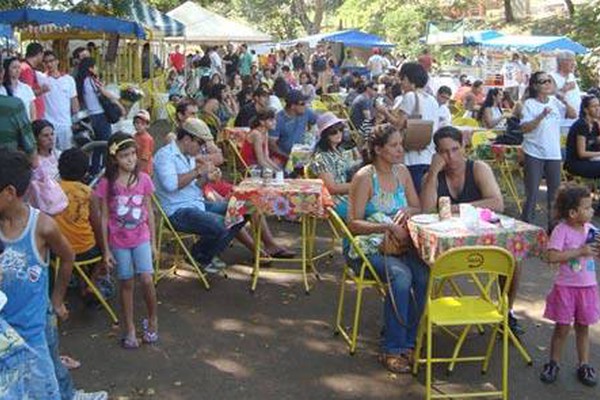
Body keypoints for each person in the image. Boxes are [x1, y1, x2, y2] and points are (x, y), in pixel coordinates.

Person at [346, 124, 428, 373]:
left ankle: (410, 341)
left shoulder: (402, 172)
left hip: (401, 245)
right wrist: (387, 227)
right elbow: (353, 224)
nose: (400, 149)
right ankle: (392, 348)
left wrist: (407, 211)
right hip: (367, 248)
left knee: (424, 275)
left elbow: (417, 206)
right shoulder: (364, 177)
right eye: (394, 145)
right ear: (379, 149)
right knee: (401, 278)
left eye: (400, 144)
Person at [0, 149, 73, 399]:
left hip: (33, 333)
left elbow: (67, 256)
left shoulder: (42, 226)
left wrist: (57, 299)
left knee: (42, 390)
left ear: (9, 193)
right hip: (2, 335)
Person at [153, 122, 247, 271]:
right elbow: (171, 185)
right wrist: (197, 171)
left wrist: (206, 178)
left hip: (196, 204)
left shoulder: (189, 155)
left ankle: (204, 255)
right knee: (222, 224)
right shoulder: (165, 156)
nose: (202, 148)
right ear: (186, 139)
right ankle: (199, 256)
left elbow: (195, 187)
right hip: (176, 211)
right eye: (200, 143)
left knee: (244, 209)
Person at [95, 133, 158, 349]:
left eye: (133, 154)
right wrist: (106, 251)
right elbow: (104, 217)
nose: (130, 159)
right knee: (126, 282)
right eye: (124, 156)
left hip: (141, 236)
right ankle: (130, 327)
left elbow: (149, 211)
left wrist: (154, 243)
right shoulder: (107, 184)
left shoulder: (144, 180)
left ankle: (152, 319)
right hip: (119, 241)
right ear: (114, 159)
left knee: (147, 279)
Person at [540, 184, 600, 386]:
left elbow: (594, 254)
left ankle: (584, 364)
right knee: (562, 327)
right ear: (573, 213)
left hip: (588, 287)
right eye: (587, 207)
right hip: (566, 288)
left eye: (591, 207)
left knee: (583, 327)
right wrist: (580, 252)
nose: (592, 211)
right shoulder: (561, 230)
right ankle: (553, 362)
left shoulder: (592, 230)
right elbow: (551, 256)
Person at [520, 71, 577, 229]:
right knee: (532, 193)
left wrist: (563, 100)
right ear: (535, 86)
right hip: (534, 152)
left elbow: (573, 115)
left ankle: (553, 232)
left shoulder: (554, 101)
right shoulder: (529, 104)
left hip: (553, 153)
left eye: (549, 81)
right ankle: (526, 229)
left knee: (554, 195)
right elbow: (524, 128)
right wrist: (541, 116)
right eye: (543, 81)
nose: (547, 84)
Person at [54, 148, 108, 301]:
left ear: (59, 168)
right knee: (107, 237)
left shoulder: (51, 189)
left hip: (57, 251)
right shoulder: (88, 193)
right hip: (85, 249)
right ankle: (91, 283)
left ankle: (72, 278)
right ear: (85, 173)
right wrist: (105, 252)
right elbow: (97, 225)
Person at [420, 126, 503, 212]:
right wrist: (433, 173)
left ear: (463, 146)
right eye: (445, 151)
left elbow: (497, 204)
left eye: (455, 149)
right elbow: (426, 211)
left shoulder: (478, 169)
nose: (451, 156)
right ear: (437, 152)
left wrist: (455, 208)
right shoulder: (431, 177)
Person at [395, 62, 440, 191]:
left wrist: (384, 112)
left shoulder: (409, 97)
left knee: (411, 195)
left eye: (403, 79)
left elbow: (398, 124)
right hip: (428, 154)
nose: (401, 83)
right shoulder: (432, 100)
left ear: (410, 79)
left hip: (411, 156)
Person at [75, 58, 124, 174]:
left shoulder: (82, 81)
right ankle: (106, 169)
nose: (97, 69)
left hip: (92, 116)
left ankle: (95, 169)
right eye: (95, 66)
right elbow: (105, 93)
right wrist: (119, 103)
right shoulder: (91, 80)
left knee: (97, 145)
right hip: (100, 115)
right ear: (90, 68)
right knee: (107, 143)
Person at [309, 112, 359, 218]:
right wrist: (360, 185)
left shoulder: (340, 150)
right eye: (333, 132)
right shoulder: (320, 158)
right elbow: (332, 188)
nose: (338, 134)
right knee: (377, 207)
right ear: (324, 135)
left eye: (341, 129)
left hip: (349, 195)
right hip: (335, 201)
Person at [42, 50, 80, 151]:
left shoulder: (69, 79)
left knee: (67, 154)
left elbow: (74, 101)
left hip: (65, 125)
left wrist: (76, 120)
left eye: (51, 61)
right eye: (46, 62)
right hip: (48, 125)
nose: (49, 64)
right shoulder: (42, 79)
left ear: (57, 61)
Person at [269, 90, 317, 162]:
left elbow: (316, 121)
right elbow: (271, 144)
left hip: (302, 153)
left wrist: (310, 136)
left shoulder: (306, 112)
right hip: (282, 156)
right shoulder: (278, 120)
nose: (305, 106)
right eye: (302, 103)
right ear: (292, 106)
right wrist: (287, 157)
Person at [0, 55, 35, 154]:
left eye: (19, 67)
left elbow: (32, 109)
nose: (17, 70)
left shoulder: (26, 88)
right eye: (14, 67)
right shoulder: (2, 89)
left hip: (25, 130)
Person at [564, 95, 600, 179]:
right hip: (576, 163)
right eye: (594, 106)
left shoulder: (594, 124)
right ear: (586, 110)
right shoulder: (582, 125)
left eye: (598, 105)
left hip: (590, 160)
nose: (598, 108)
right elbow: (582, 153)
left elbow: (597, 141)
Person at [20, 42, 48, 120]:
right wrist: (42, 90)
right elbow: (27, 93)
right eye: (42, 55)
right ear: (39, 54)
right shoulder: (27, 69)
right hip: (32, 116)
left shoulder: (27, 68)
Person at [133, 110, 155, 176]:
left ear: (147, 125)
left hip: (144, 170)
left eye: (142, 123)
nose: (139, 125)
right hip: (136, 167)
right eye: (137, 123)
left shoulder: (147, 139)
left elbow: (145, 158)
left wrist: (137, 170)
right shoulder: (134, 136)